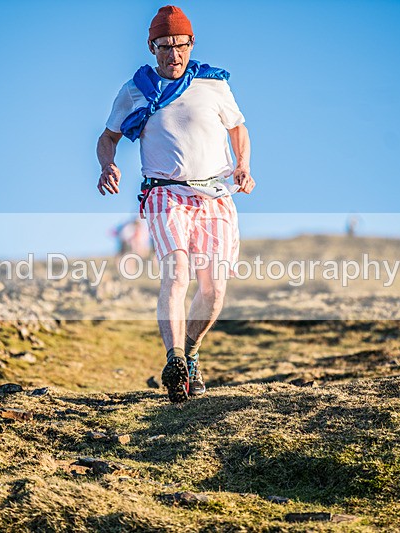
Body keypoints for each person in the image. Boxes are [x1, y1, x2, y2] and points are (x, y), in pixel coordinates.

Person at [96, 5, 255, 402]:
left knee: (215, 289)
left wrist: (243, 167)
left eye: (180, 46)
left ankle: (192, 351)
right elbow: (108, 137)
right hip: (165, 192)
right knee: (178, 271)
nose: (173, 55)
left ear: (191, 43)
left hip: (215, 193)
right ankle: (175, 359)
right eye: (164, 47)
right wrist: (107, 165)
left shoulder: (213, 85)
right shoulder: (136, 90)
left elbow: (238, 128)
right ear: (152, 48)